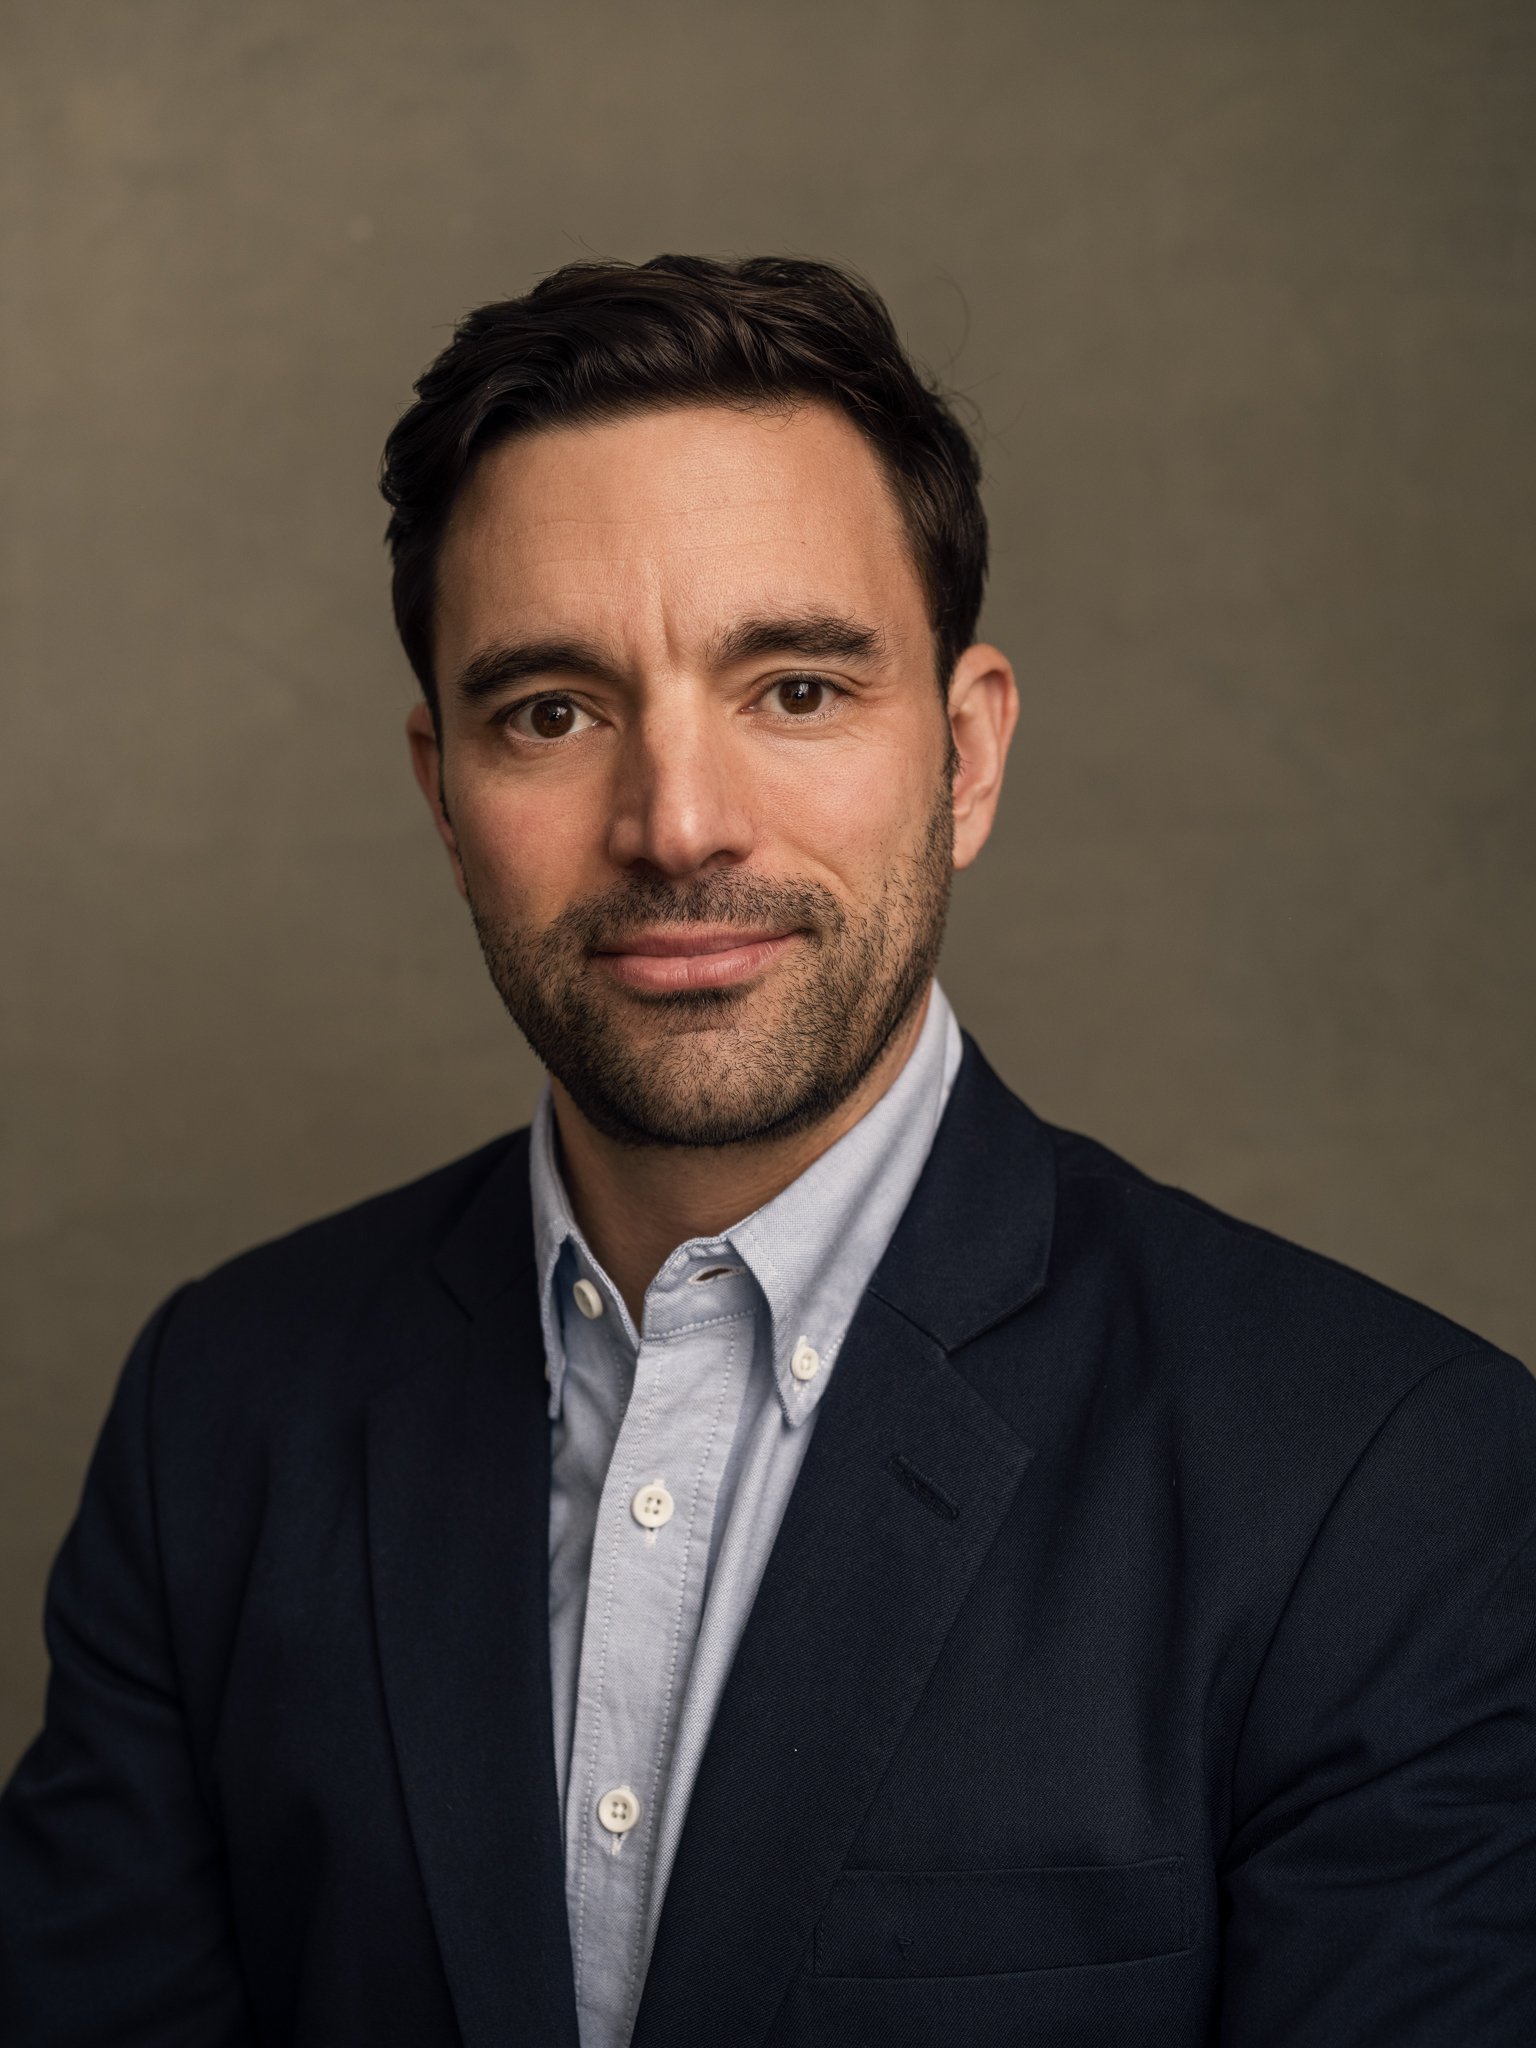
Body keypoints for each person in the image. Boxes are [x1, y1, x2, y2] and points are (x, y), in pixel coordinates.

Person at [0, 254, 1531, 2048]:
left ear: (963, 758)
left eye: (795, 688)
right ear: (441, 790)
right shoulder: (222, 1412)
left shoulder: (1385, 1480)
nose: (677, 823)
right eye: (551, 712)